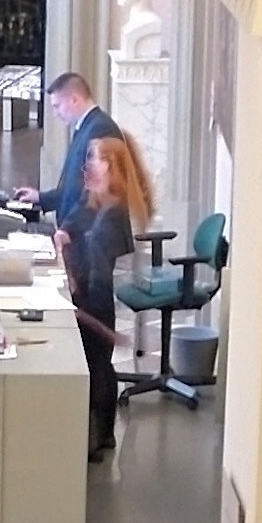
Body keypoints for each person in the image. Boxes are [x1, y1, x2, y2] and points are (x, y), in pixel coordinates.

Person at [61, 123, 155, 462]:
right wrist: (64, 234)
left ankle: (98, 438)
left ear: (112, 167)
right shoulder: (95, 202)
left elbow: (100, 276)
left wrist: (80, 302)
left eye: (96, 159)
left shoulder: (114, 215)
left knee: (97, 364)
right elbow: (72, 221)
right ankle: (100, 434)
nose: (89, 165)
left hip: (99, 302)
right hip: (89, 298)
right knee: (98, 364)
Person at [39, 71, 113, 235]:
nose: (56, 114)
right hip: (82, 231)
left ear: (74, 99)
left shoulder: (100, 129)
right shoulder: (86, 127)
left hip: (93, 235)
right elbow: (73, 187)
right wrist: (40, 198)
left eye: (57, 106)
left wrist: (68, 227)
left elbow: (96, 191)